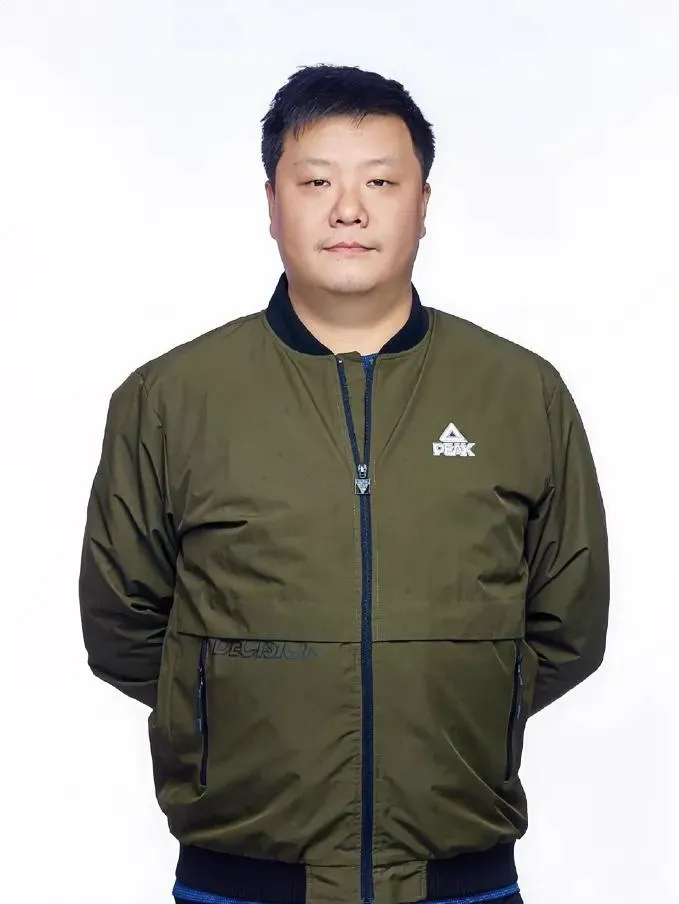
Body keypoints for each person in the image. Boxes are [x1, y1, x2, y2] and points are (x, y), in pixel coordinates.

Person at [78, 63, 610, 904]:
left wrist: (462, 696)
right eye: (317, 181)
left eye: (381, 182)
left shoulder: (520, 392)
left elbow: (567, 624)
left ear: (423, 203)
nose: (349, 210)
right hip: (239, 881)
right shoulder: (170, 398)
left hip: (461, 878)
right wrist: (233, 700)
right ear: (272, 202)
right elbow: (122, 625)